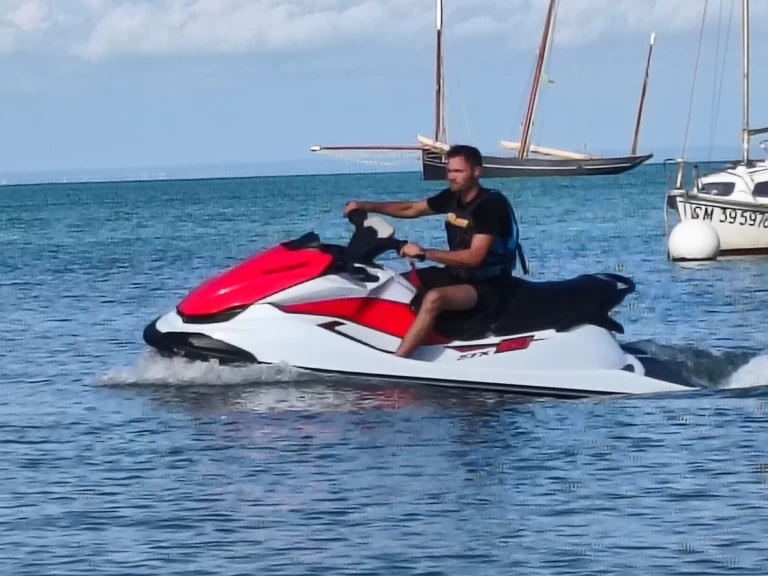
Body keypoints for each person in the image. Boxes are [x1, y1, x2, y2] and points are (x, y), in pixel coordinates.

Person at [342, 144, 528, 358]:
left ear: (477, 172)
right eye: (450, 171)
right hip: (457, 275)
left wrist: (425, 253)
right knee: (393, 284)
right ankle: (375, 338)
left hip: (490, 286)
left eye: (458, 171)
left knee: (434, 298)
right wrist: (365, 206)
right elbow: (411, 208)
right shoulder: (453, 197)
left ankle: (398, 361)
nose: (451, 177)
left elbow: (475, 257)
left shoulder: (490, 206)